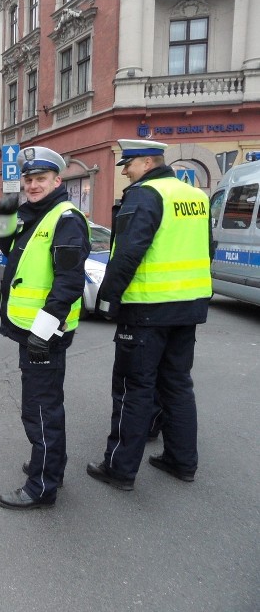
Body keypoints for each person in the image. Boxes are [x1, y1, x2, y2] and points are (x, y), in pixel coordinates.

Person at [87, 139, 212, 491]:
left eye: (128, 165)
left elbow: (128, 252)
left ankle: (120, 469)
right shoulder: (196, 197)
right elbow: (208, 248)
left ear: (145, 162)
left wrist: (108, 299)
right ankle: (181, 461)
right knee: (177, 384)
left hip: (147, 307)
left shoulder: (145, 195)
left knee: (134, 388)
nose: (125, 172)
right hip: (189, 305)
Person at [0, 146, 91, 510]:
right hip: (31, 328)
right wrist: (4, 218)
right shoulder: (33, 213)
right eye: (29, 179)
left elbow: (69, 281)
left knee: (40, 409)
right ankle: (50, 466)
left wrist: (43, 331)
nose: (33, 185)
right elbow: (9, 250)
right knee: (42, 405)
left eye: (40, 179)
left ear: (57, 180)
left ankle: (42, 486)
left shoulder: (65, 217)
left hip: (43, 333)